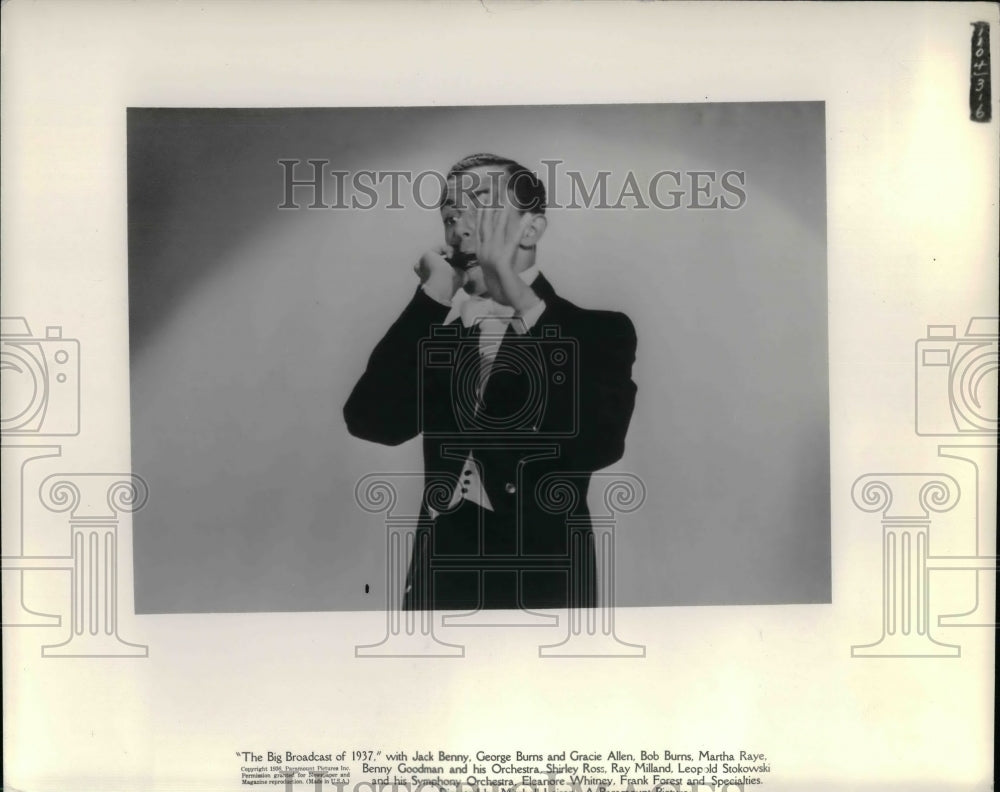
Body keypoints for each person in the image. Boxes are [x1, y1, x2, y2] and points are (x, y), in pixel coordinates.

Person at [343, 153, 637, 611]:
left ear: (531, 229)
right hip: (440, 586)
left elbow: (597, 443)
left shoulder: (600, 330)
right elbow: (372, 421)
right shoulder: (442, 333)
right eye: (450, 210)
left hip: (545, 587)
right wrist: (433, 293)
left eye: (480, 202)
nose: (459, 220)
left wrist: (515, 291)